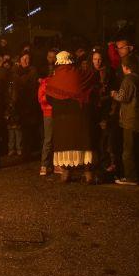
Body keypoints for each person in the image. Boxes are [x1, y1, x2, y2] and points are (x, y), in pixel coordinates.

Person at [45, 51, 97, 184]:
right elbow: (90, 86)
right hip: (80, 116)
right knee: (83, 144)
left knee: (64, 145)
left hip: (61, 118)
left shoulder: (55, 77)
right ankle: (88, 174)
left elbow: (49, 97)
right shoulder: (80, 74)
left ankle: (66, 174)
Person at [111, 54, 139, 186]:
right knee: (137, 148)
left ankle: (131, 177)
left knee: (128, 150)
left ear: (125, 67)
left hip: (129, 119)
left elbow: (123, 97)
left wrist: (114, 94)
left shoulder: (128, 80)